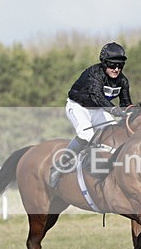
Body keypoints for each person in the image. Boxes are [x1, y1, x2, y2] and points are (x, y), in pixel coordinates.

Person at [49, 42, 132, 188]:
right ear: (105, 63)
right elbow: (97, 97)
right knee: (86, 136)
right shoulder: (95, 73)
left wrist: (132, 113)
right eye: (112, 65)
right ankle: (59, 166)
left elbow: (126, 103)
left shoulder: (123, 81)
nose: (116, 69)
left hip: (98, 110)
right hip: (78, 107)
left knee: (114, 134)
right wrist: (114, 111)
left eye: (120, 66)